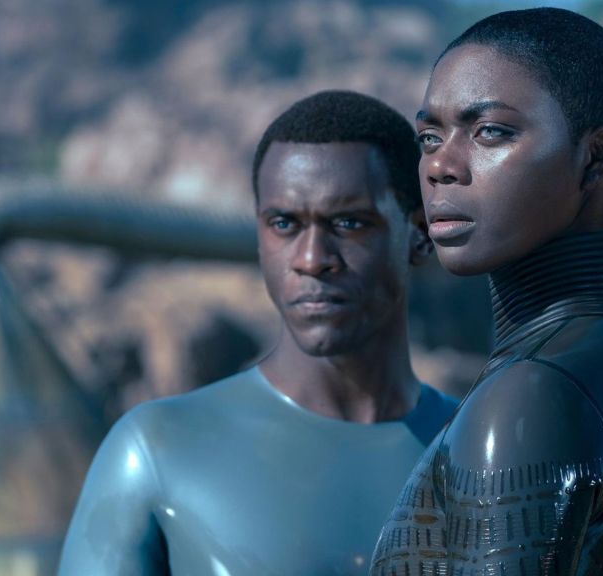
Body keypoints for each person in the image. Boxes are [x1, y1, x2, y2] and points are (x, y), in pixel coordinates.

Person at [59, 90, 457, 575]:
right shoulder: (157, 450)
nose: (312, 259)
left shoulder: (482, 450)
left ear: (419, 234)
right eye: (284, 224)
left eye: (349, 223)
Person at [370, 9, 603, 575]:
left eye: (490, 131)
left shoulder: (530, 393)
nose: (440, 165)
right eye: (429, 137)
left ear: (595, 157)